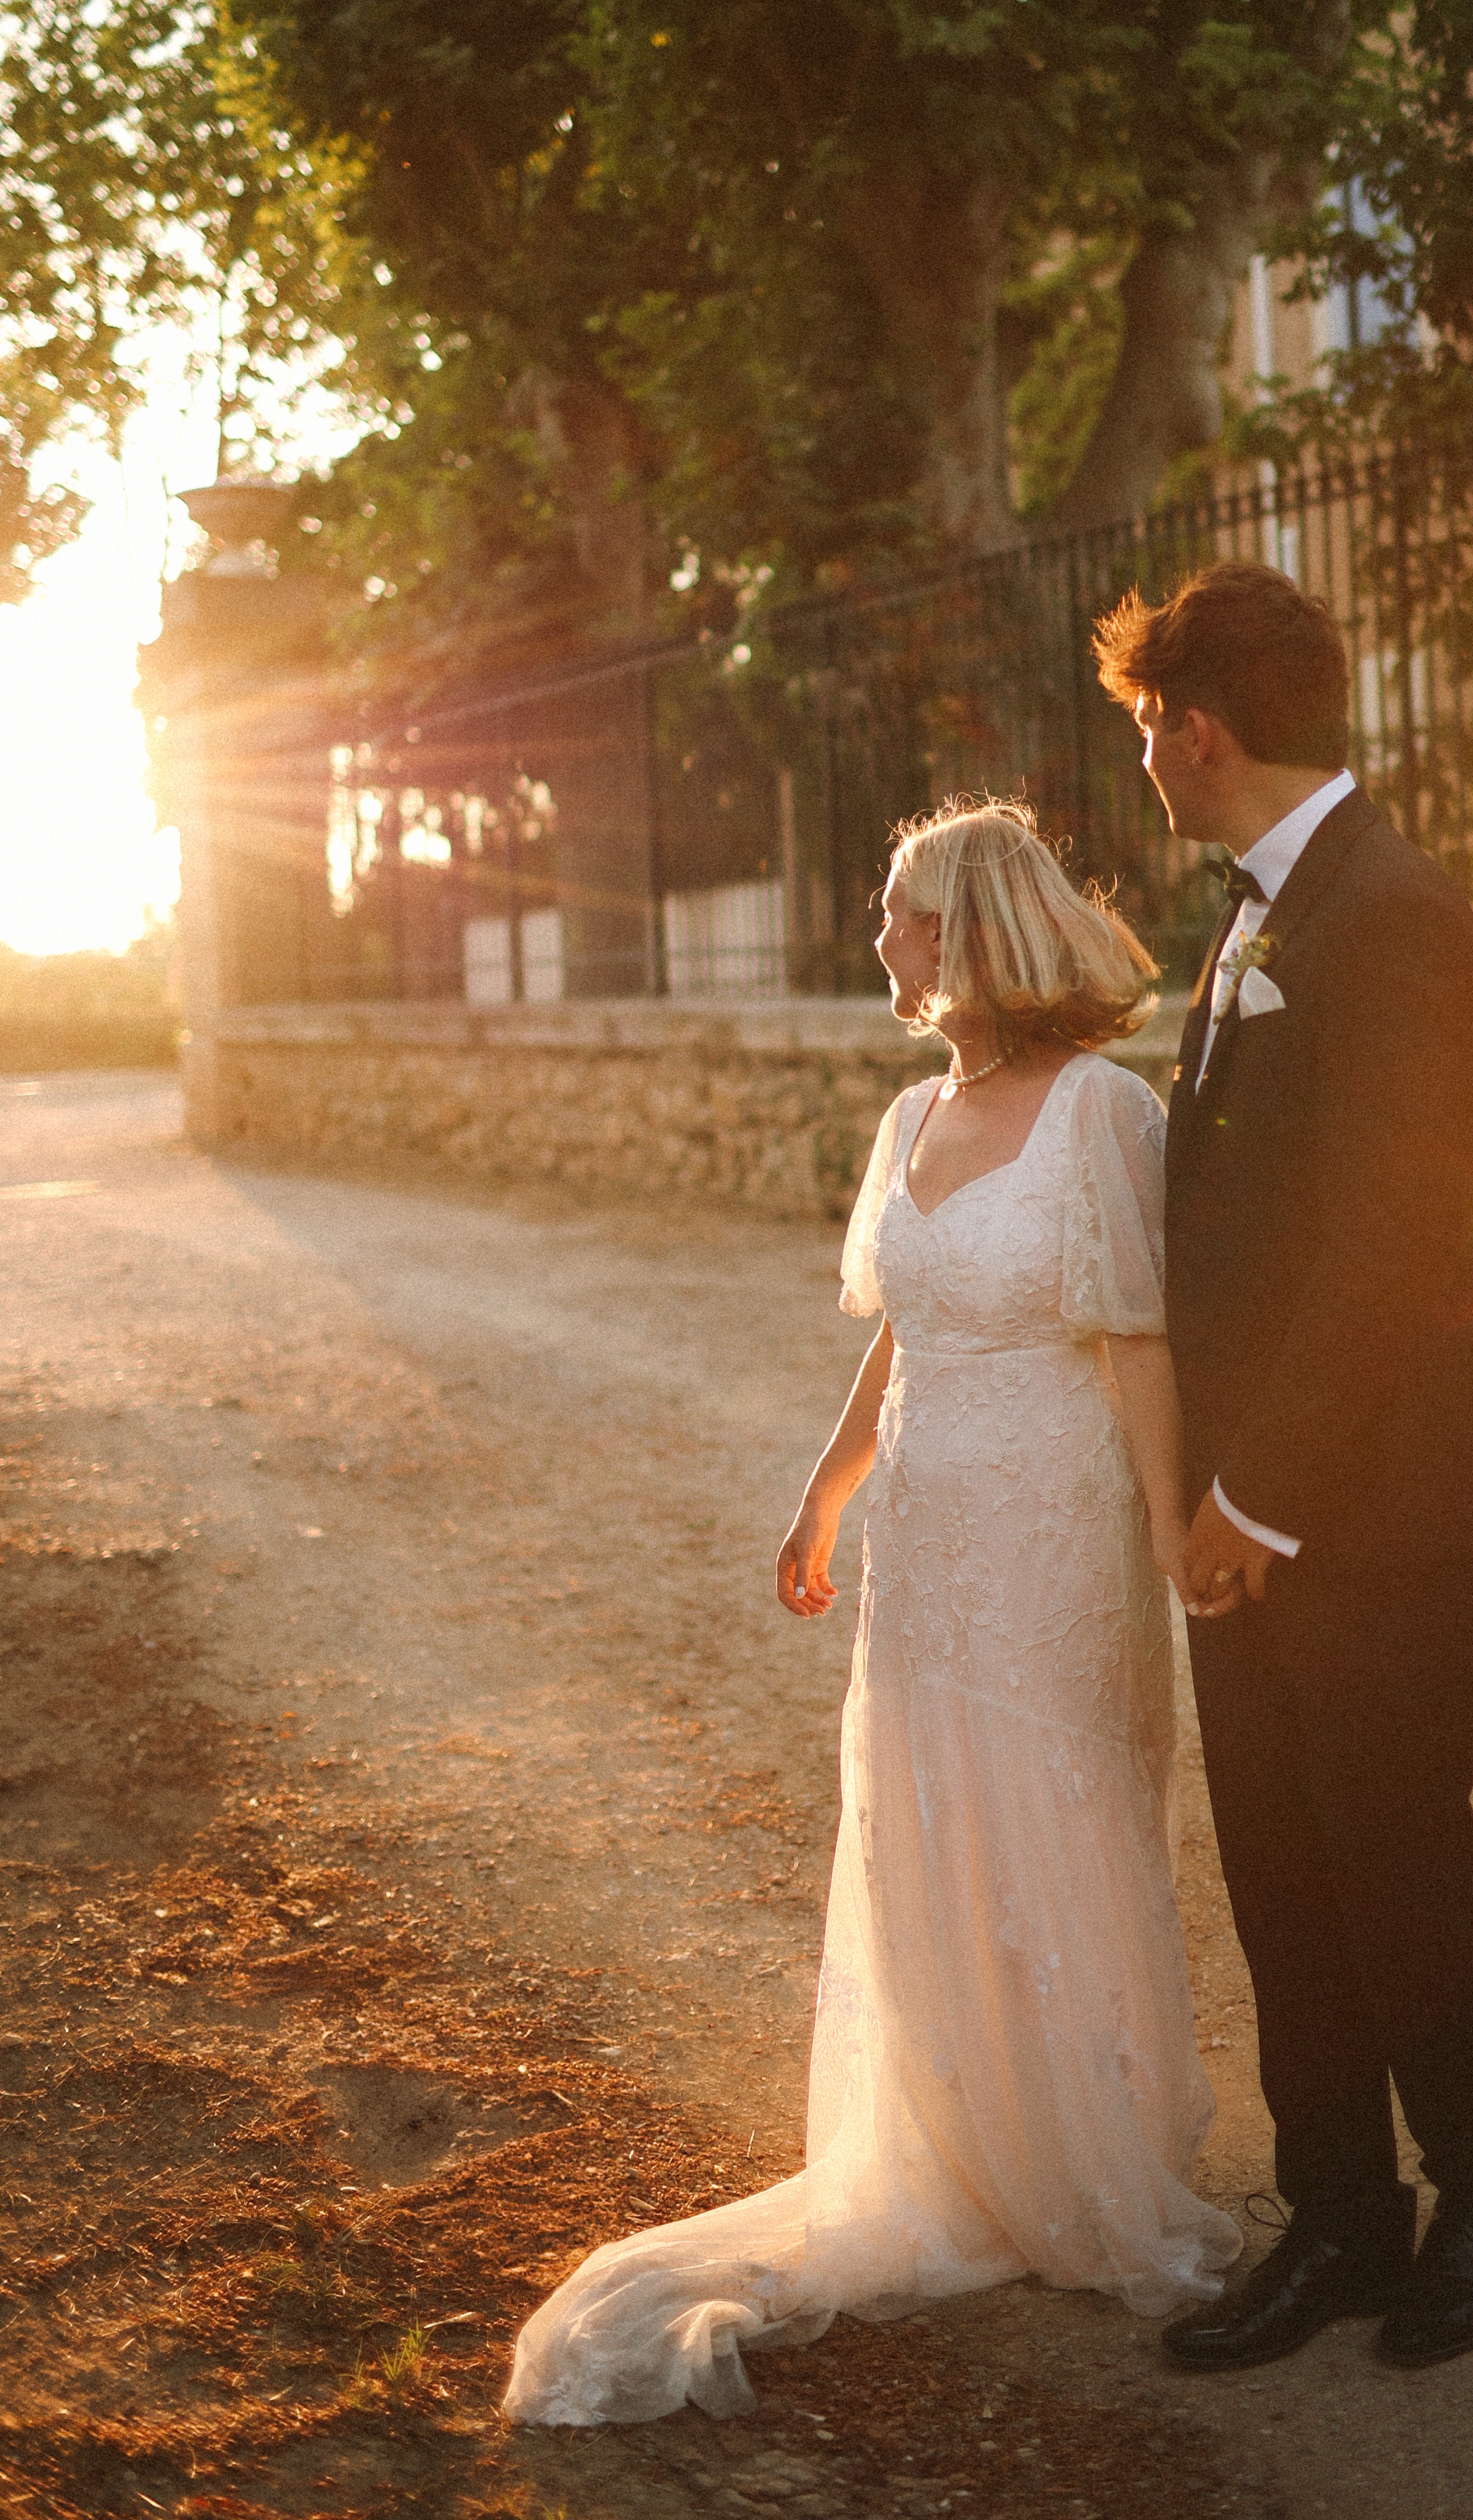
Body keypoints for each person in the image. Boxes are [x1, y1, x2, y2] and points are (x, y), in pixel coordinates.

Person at [503, 795, 1237, 2426]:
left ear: (976, 928)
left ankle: (1080, 2141)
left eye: (905, 910)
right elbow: (901, 1326)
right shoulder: (913, 1117)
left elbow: (1136, 1337)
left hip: (1051, 1516)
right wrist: (827, 1486)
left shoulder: (1104, 1113)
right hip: (924, 1523)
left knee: (1054, 1795)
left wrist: (1180, 1524)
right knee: (923, 1804)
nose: (884, 936)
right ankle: (960, 2123)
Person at [1093, 563, 1473, 2378]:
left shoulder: (1394, 914)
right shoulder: (1252, 916)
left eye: (1143, 732)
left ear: (1194, 732)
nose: (1140, 762)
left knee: (1392, 1857)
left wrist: (1254, 1495)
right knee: (1280, 1865)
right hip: (1248, 1504)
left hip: (1382, 1508)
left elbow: (1392, 1249)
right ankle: (1339, 2217)